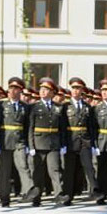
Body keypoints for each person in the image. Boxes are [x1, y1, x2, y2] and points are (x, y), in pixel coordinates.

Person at [27, 77, 70, 207]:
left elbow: (62, 128)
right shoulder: (34, 107)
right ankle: (37, 197)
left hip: (53, 143)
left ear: (52, 93)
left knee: (55, 170)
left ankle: (59, 194)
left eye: (47, 90)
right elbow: (30, 128)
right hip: (38, 142)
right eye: (42, 89)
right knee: (38, 172)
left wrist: (63, 144)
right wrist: (31, 146)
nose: (43, 91)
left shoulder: (58, 107)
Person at [0, 77, 38, 206]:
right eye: (11, 88)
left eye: (17, 89)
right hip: (4, 142)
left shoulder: (25, 107)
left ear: (20, 91)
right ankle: (4, 198)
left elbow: (27, 127)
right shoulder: (1, 105)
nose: (13, 91)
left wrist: (29, 145)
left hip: (19, 141)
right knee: (5, 172)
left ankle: (30, 189)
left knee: (23, 166)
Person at [64, 77, 106, 204]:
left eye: (78, 88)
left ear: (82, 90)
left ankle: (95, 192)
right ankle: (67, 195)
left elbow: (92, 127)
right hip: (70, 140)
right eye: (74, 88)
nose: (76, 91)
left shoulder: (87, 107)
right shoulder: (65, 106)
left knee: (89, 168)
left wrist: (93, 144)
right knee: (69, 170)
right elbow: (61, 126)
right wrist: (62, 143)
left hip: (85, 141)